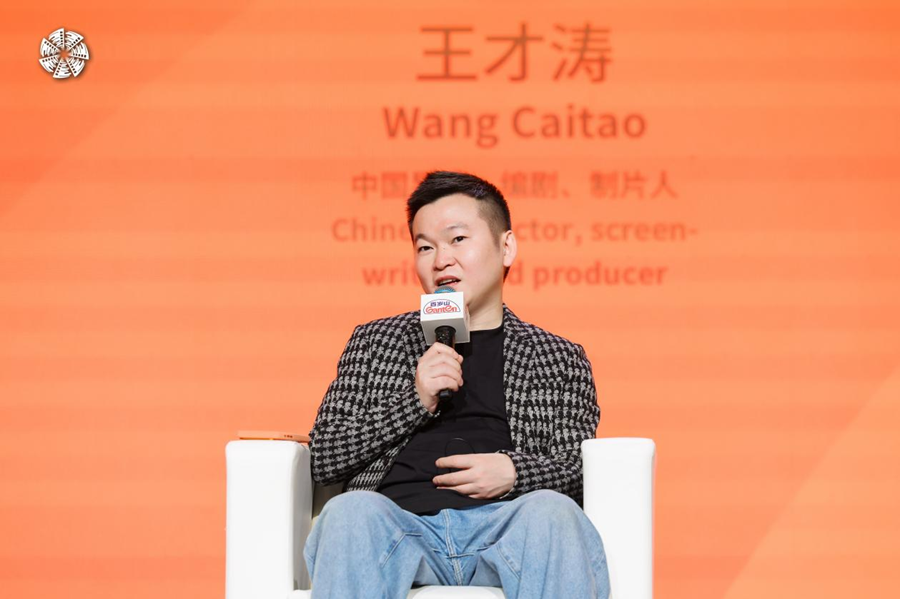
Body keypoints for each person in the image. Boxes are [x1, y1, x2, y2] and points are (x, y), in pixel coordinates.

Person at [305, 171, 609, 599]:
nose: (440, 260)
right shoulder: (375, 342)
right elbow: (323, 457)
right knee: (349, 513)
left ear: (506, 247)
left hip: (507, 527)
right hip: (398, 527)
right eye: (425, 247)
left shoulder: (557, 357)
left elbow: (579, 468)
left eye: (457, 239)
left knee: (552, 513)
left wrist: (515, 472)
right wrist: (413, 401)